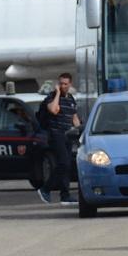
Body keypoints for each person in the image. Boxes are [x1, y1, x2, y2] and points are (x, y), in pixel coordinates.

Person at [37, 72, 81, 206]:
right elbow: (53, 110)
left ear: (70, 84)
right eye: (61, 83)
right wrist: (56, 93)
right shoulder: (52, 97)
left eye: (65, 84)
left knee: (67, 166)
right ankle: (45, 189)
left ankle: (65, 195)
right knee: (64, 163)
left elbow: (74, 119)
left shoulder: (71, 99)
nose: (63, 86)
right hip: (56, 135)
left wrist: (81, 133)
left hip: (68, 136)